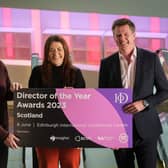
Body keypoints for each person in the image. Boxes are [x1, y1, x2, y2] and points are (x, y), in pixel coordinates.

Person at [99, 18, 168, 168]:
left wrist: (145, 103)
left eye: (126, 34)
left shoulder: (151, 59)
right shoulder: (106, 64)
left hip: (147, 130)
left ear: (134, 35)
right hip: (119, 132)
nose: (122, 39)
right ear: (114, 38)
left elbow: (165, 91)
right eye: (118, 35)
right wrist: (109, 135)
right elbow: (103, 101)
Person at [29, 35, 85, 168]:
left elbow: (83, 108)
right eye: (51, 50)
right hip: (45, 133)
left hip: (71, 134)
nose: (56, 53)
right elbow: (32, 104)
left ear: (65, 51)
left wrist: (73, 99)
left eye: (59, 49)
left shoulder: (76, 73)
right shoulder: (37, 73)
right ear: (46, 53)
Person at [0, 61, 22, 168]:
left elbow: (5, 93)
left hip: (2, 136)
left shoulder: (1, 66)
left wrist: (14, 90)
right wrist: (3, 135)